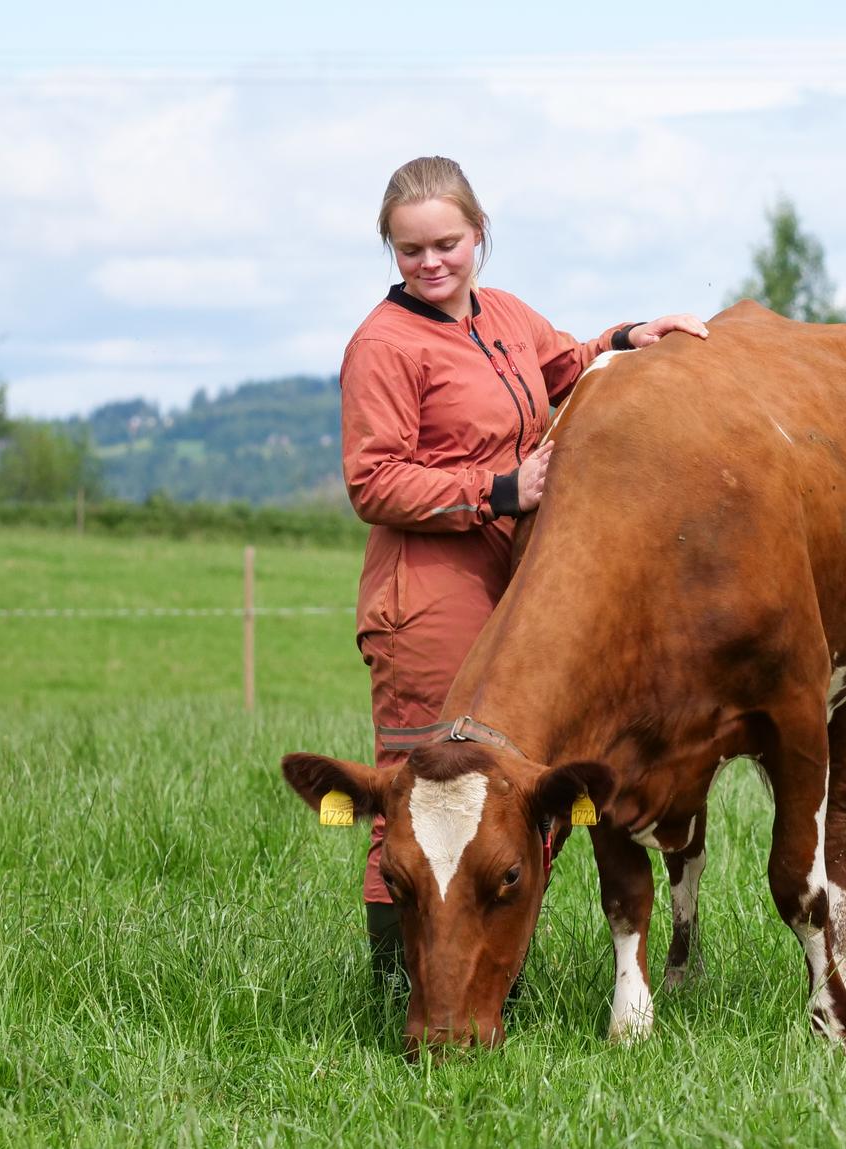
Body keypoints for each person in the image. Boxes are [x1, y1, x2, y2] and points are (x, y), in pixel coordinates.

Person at [339, 156, 709, 990]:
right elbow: (372, 479)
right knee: (421, 795)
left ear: (479, 235)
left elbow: (557, 366)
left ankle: (481, 969)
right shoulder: (382, 345)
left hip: (511, 582)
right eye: (409, 251)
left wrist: (626, 339)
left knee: (497, 795)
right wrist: (499, 488)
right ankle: (398, 989)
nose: (431, 264)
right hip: (427, 594)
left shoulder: (501, 313)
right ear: (390, 252)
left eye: (447, 244)